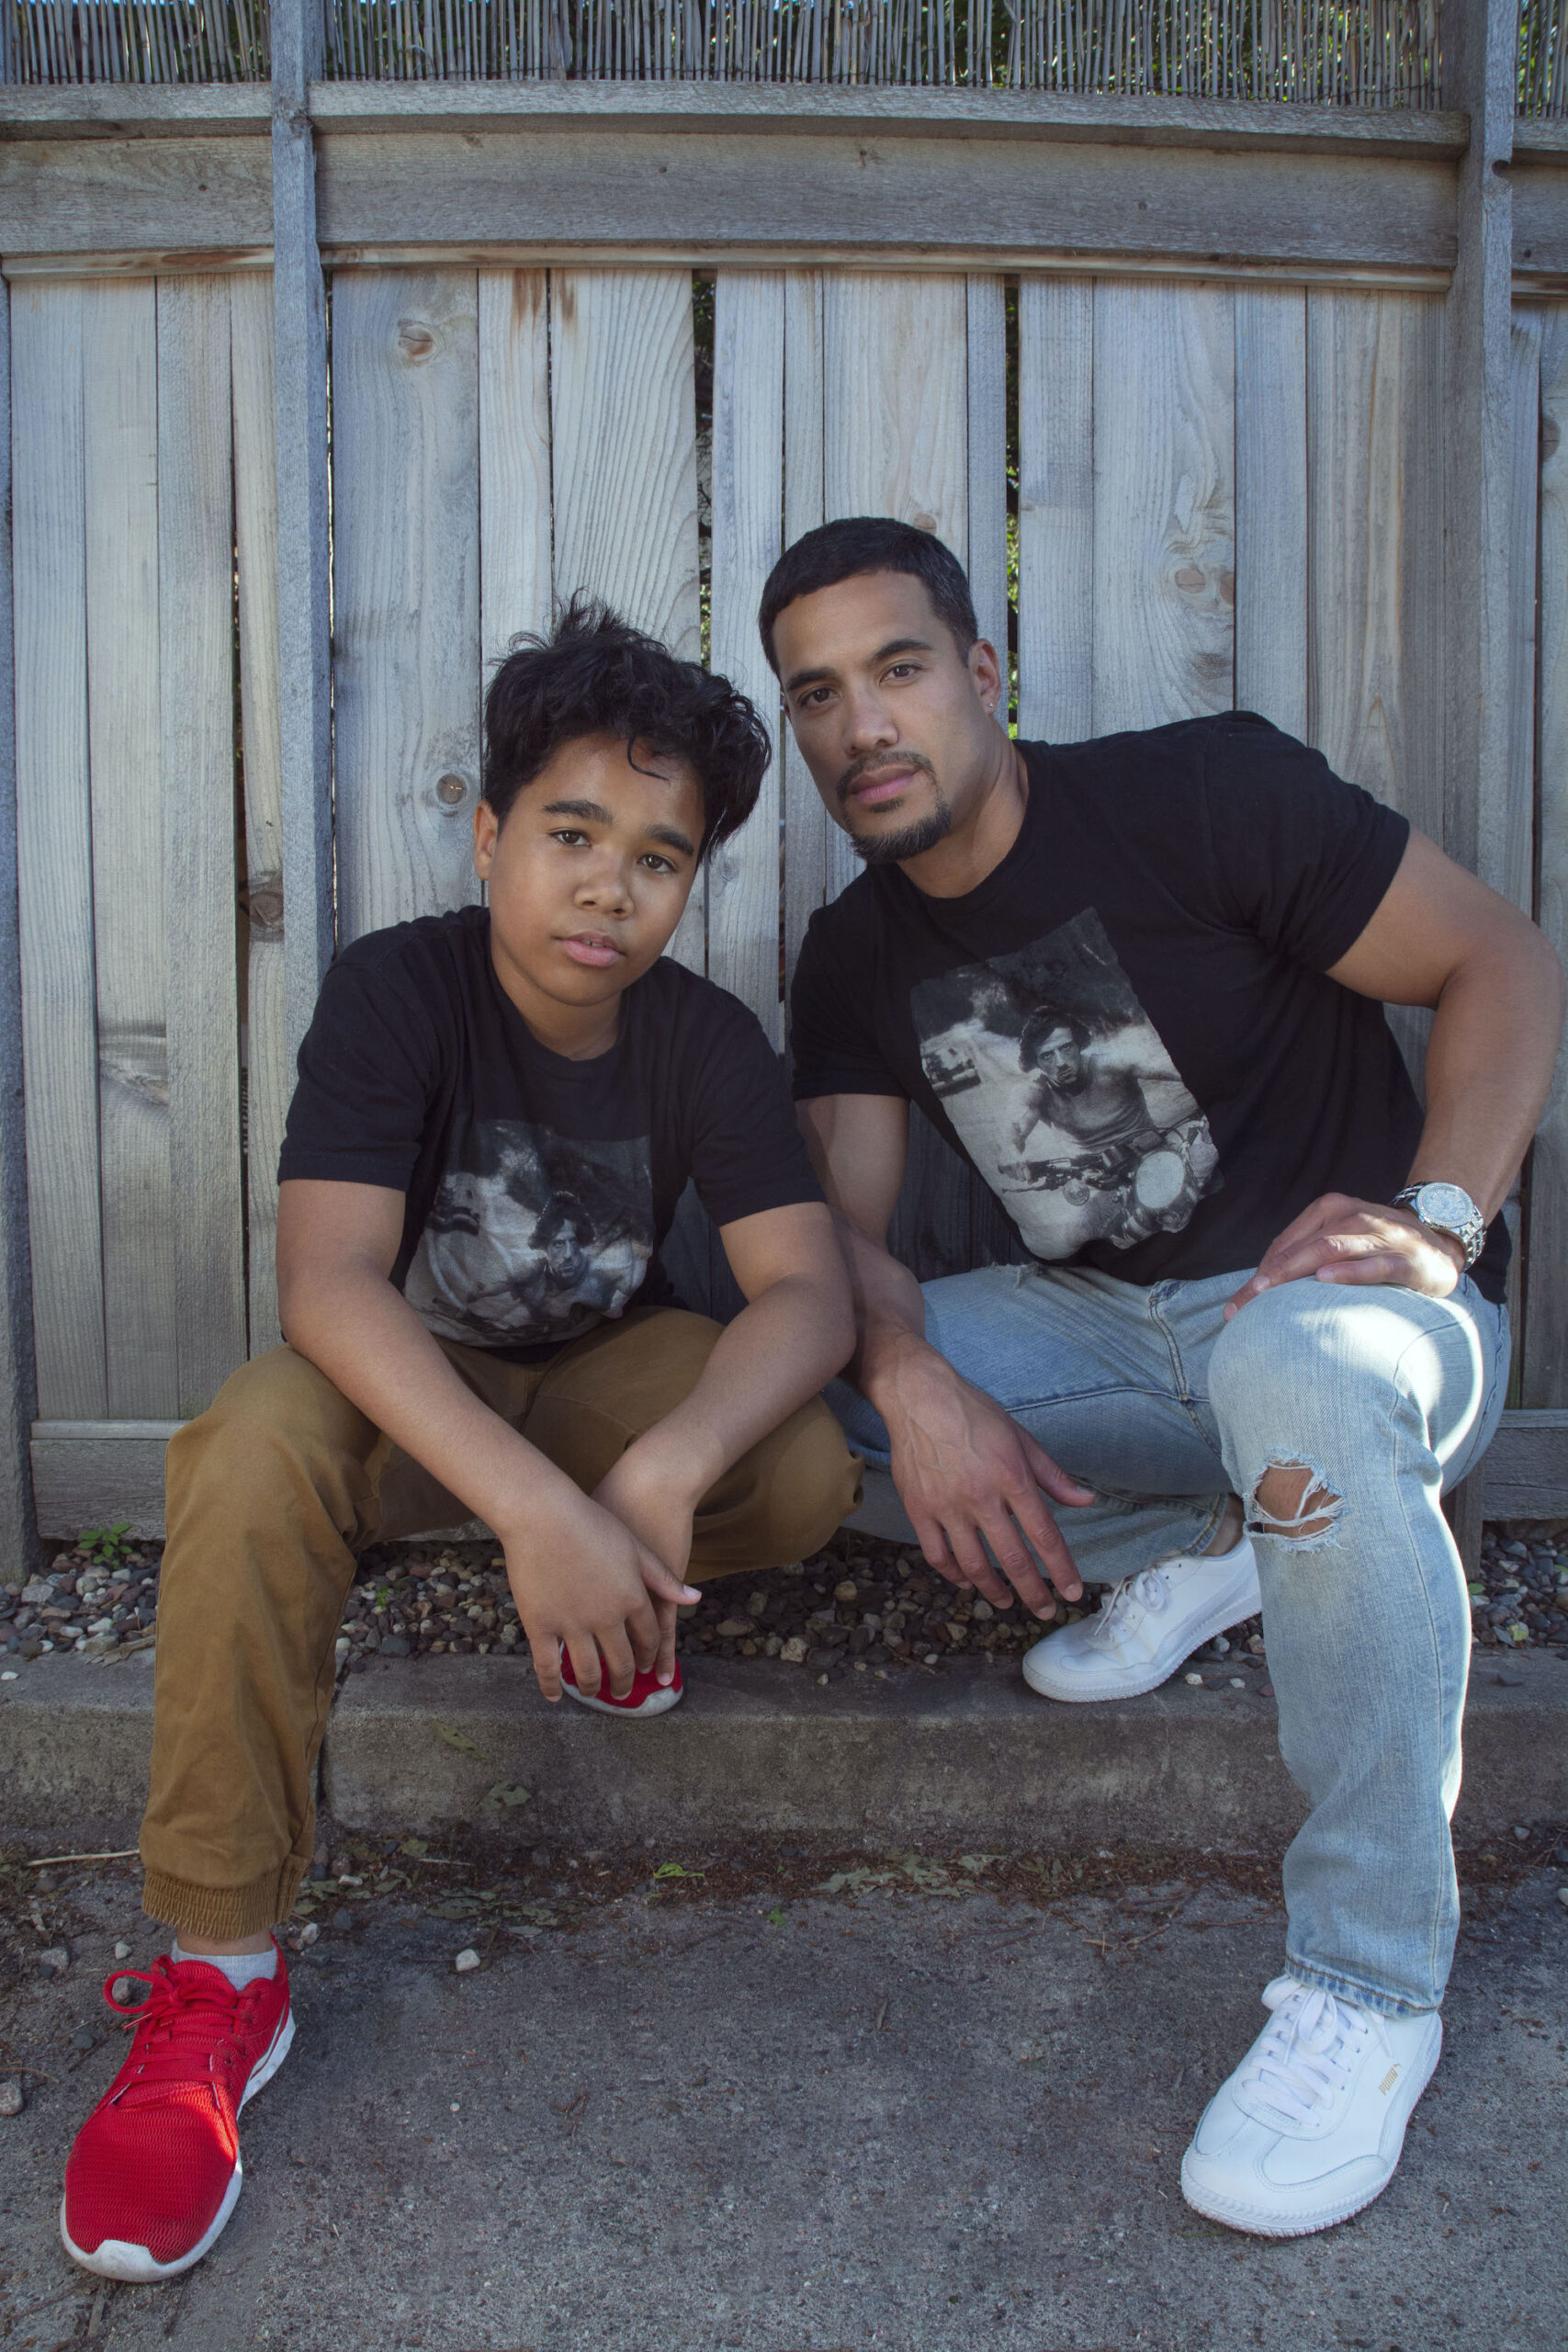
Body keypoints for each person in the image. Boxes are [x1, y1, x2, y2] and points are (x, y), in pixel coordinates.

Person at [765, 515, 1564, 2239]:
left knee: (1297, 1369)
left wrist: (1441, 1221)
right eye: (816, 694)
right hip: (1116, 1339)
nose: (863, 725)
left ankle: (1368, 1988)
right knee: (796, 1388)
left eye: (898, 669)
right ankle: (1238, 1543)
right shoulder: (857, 955)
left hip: (1348, 1316)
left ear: (982, 675)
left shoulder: (1201, 796)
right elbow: (846, 1237)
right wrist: (907, 1373)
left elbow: (1499, 956)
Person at [60, 601, 860, 2283]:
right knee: (246, 1445)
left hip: (593, 1387)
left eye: (658, 857)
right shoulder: (398, 988)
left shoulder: (704, 1037)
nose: (608, 888)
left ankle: (606, 1588)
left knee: (797, 1463)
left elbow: (807, 1293)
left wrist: (655, 1476)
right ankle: (223, 1971)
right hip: (408, 1394)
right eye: (571, 833)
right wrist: (531, 1513)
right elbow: (330, 1284)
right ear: (491, 835)